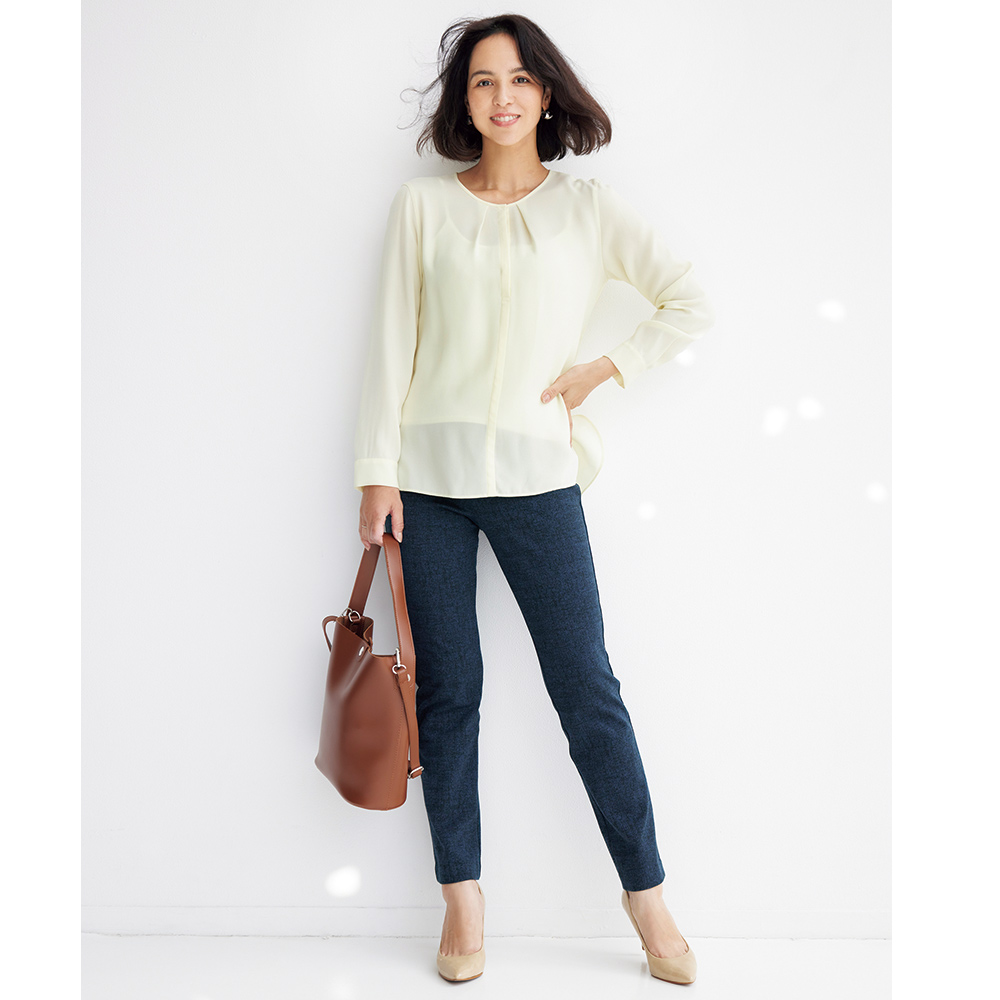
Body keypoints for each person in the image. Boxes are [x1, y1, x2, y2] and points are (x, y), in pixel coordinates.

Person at [352, 13, 714, 985]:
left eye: (517, 79)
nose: (501, 96)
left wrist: (605, 367)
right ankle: (462, 897)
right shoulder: (422, 208)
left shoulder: (588, 210)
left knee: (587, 688)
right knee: (448, 692)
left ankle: (647, 896)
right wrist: (375, 472)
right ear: (464, 101)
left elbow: (687, 301)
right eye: (482, 81)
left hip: (538, 481)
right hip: (427, 486)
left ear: (546, 93)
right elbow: (389, 342)